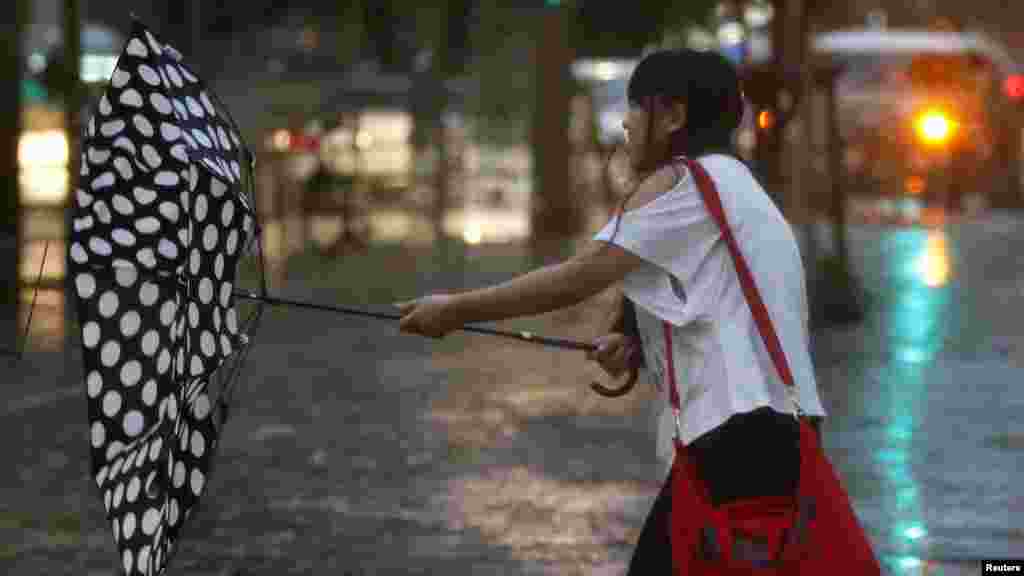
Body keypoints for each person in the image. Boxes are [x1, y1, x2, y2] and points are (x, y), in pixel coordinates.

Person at [395, 49, 827, 572]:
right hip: (774, 435)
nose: (624, 123)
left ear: (671, 116)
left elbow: (579, 276)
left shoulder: (682, 181)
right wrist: (639, 345)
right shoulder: (732, 184)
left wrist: (456, 311)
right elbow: (719, 301)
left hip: (737, 434)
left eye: (635, 108)